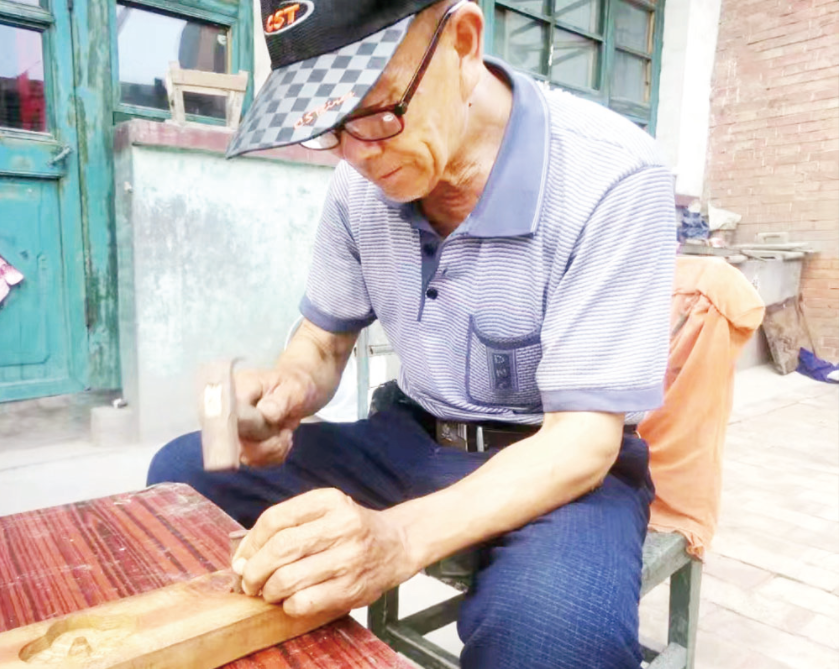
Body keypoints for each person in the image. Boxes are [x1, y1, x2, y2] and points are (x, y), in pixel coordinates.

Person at [148, 0, 677, 667]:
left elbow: (583, 441)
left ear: (463, 42)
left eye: (375, 112)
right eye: (329, 127)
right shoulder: (357, 186)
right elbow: (322, 342)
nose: (357, 155)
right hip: (412, 434)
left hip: (560, 464)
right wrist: (285, 390)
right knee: (181, 476)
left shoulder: (612, 176)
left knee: (555, 646)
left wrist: (396, 540)